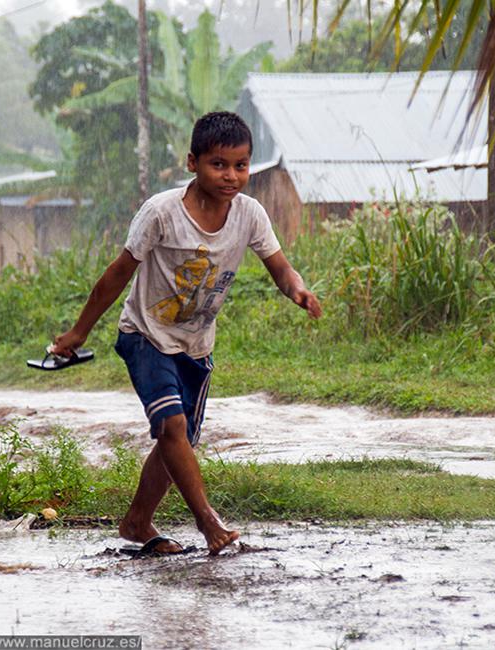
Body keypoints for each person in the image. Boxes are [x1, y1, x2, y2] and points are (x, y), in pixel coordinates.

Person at [50, 111, 322, 555]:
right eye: (219, 164)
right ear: (192, 162)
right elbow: (118, 273)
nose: (231, 176)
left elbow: (280, 266)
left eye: (241, 165)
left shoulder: (249, 214)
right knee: (173, 427)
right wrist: (80, 331)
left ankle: (137, 522)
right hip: (145, 334)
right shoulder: (161, 212)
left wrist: (298, 290)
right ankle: (209, 522)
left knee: (177, 441)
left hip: (195, 345)